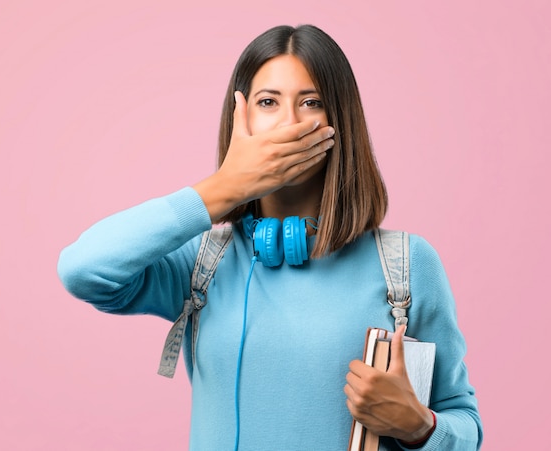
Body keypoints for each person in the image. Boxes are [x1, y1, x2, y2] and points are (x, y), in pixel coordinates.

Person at [58, 24, 483, 450]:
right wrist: (225, 186)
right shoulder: (201, 264)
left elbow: (464, 425)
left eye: (311, 102)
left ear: (340, 120)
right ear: (239, 118)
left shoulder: (407, 266)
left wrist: (418, 426)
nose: (289, 123)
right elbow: (84, 269)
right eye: (268, 102)